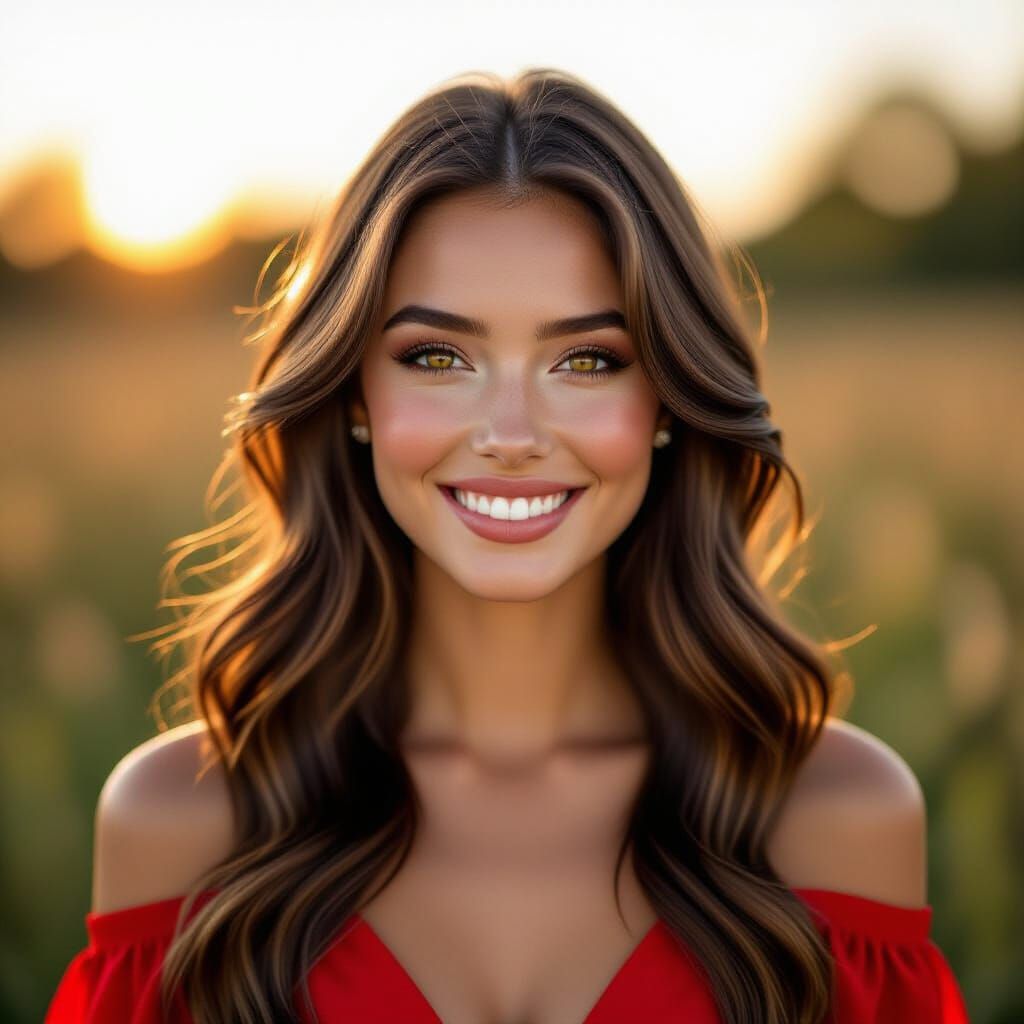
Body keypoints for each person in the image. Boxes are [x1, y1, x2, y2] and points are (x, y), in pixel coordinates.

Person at [46, 67, 970, 1023]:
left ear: (667, 399)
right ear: (357, 395)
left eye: (588, 360)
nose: (513, 431)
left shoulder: (838, 817)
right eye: (439, 358)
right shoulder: (180, 824)